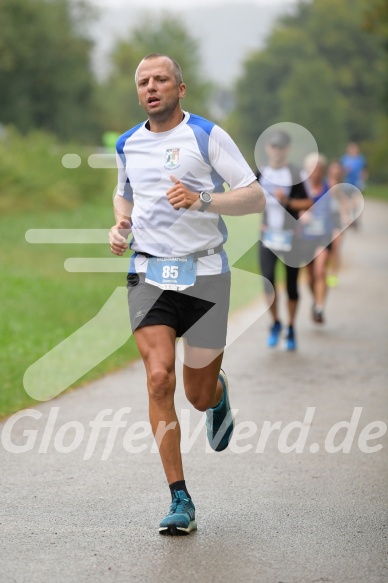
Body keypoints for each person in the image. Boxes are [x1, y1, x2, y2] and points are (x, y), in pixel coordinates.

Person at [109, 54, 265, 536]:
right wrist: (120, 223)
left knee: (196, 395)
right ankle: (180, 497)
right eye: (143, 81)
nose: (151, 87)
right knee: (159, 379)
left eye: (160, 79)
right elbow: (125, 192)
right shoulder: (127, 143)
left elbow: (254, 195)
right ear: (138, 92)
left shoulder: (207, 135)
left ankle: (217, 395)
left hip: (204, 273)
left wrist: (202, 199)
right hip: (149, 272)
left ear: (181, 89)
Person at [257, 129, 311, 351]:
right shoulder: (261, 172)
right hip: (268, 236)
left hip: (291, 238)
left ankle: (291, 327)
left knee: (291, 286)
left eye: (281, 147)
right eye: (273, 146)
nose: (276, 151)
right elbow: (247, 195)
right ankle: (276, 323)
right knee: (267, 281)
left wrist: (287, 201)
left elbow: (308, 202)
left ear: (287, 149)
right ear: (268, 148)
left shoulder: (295, 173)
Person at [300, 153, 333, 324]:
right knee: (311, 277)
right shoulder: (301, 189)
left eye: (319, 170)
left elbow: (336, 210)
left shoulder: (329, 187)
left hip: (324, 236)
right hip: (305, 238)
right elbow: (291, 208)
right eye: (313, 170)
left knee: (320, 271)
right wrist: (301, 214)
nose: (316, 173)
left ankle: (320, 307)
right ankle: (316, 300)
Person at [340, 142, 367, 229]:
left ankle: (355, 218)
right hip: (347, 183)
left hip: (357, 184)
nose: (353, 150)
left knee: (356, 202)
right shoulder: (344, 159)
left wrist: (363, 176)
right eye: (351, 148)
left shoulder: (361, 159)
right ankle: (348, 219)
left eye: (354, 148)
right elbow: (340, 171)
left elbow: (365, 170)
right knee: (346, 202)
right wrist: (346, 170)